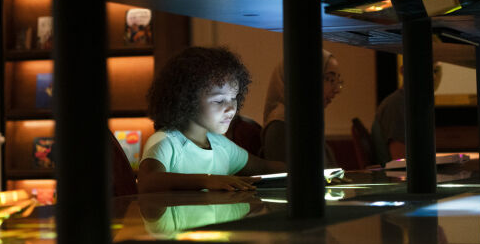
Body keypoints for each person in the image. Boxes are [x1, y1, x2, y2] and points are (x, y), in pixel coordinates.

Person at [137, 47, 282, 193]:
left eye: (233, 98)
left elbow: (265, 168)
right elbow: (147, 181)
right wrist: (208, 180)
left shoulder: (222, 145)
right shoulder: (166, 142)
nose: (231, 109)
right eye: (219, 101)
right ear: (187, 100)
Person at [260, 50, 342, 167]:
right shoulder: (281, 126)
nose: (337, 90)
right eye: (330, 79)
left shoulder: (304, 121)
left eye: (338, 81)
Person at [372, 62, 443, 164]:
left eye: (436, 71)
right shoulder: (398, 104)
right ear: (403, 70)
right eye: (425, 69)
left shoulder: (409, 102)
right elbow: (402, 162)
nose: (433, 76)